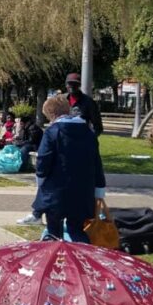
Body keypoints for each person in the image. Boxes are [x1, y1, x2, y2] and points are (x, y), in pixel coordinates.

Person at [29, 95, 106, 242]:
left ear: (52, 114)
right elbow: (97, 162)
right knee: (77, 230)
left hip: (55, 192)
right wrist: (99, 189)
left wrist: (40, 180)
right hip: (83, 192)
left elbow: (43, 161)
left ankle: (55, 260)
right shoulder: (88, 133)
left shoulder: (52, 132)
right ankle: (81, 259)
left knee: (53, 231)